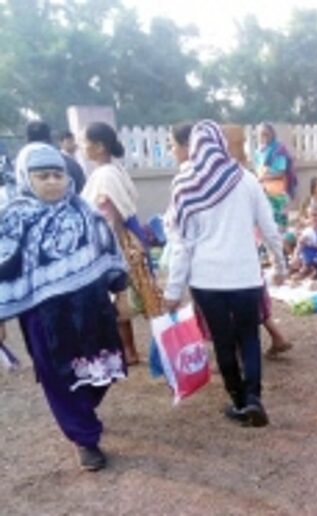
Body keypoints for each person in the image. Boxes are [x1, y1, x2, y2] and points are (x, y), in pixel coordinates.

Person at [0, 143, 128, 471]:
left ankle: (82, 413)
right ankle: (85, 439)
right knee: (59, 376)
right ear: (26, 179)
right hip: (44, 318)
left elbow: (110, 253)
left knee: (100, 374)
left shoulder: (85, 213)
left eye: (58, 174)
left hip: (92, 312)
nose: (53, 182)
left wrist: (122, 295)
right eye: (42, 176)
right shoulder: (12, 221)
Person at [165, 120, 287, 427]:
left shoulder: (184, 184)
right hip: (246, 276)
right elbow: (269, 228)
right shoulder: (245, 179)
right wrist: (280, 265)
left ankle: (238, 401)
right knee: (249, 336)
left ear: (193, 147)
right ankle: (254, 398)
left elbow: (182, 244)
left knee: (223, 340)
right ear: (220, 143)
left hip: (207, 280)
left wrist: (173, 291)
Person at [81, 122, 162, 365]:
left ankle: (135, 350)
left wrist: (113, 250)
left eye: (86, 142)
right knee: (139, 295)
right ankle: (137, 349)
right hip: (131, 235)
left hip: (120, 239)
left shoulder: (104, 175)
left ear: (99, 146)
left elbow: (111, 214)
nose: (83, 147)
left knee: (125, 295)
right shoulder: (113, 170)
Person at [255, 123, 298, 236]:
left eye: (266, 134)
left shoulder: (278, 150)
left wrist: (262, 178)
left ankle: (281, 250)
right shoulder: (259, 152)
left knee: (279, 225)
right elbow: (259, 171)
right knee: (264, 223)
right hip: (263, 191)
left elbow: (280, 172)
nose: (263, 137)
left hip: (277, 193)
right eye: (260, 135)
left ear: (272, 134)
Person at [25, 121, 86, 193]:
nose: (52, 182)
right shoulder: (69, 163)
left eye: (57, 176)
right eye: (43, 177)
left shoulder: (21, 163)